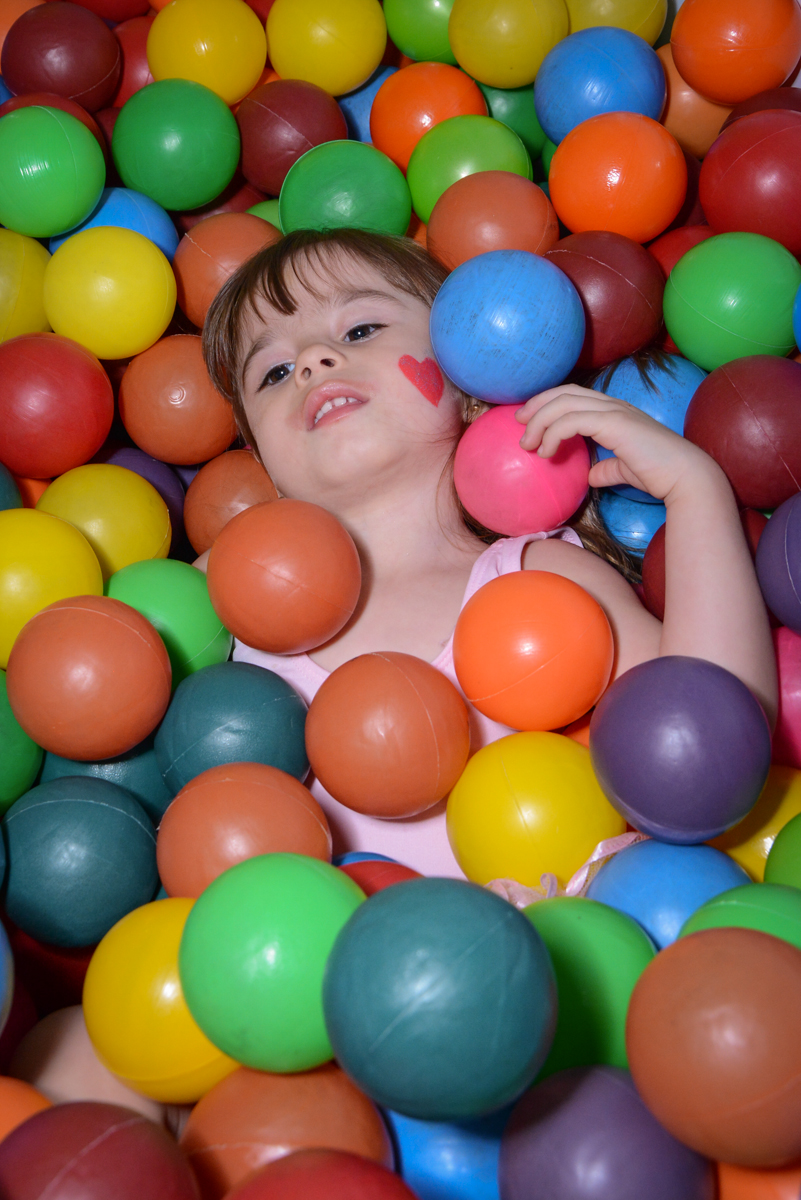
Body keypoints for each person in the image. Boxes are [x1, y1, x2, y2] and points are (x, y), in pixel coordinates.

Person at [195, 227, 777, 877]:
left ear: (468, 366)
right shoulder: (219, 608)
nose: (311, 361)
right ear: (262, 461)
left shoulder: (537, 582)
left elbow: (710, 745)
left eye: (359, 330)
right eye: (273, 372)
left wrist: (694, 492)